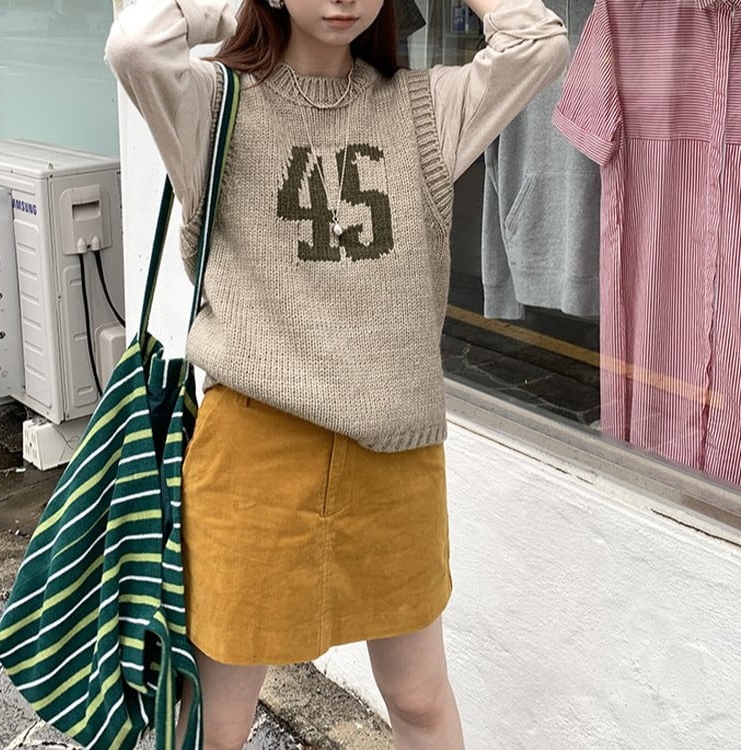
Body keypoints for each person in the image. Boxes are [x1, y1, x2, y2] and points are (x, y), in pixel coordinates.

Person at [105, 1, 568, 747]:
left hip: (395, 461)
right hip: (254, 461)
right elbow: (135, 43)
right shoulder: (215, 106)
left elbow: (537, 42)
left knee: (418, 700)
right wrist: (240, 9)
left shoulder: (424, 112)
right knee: (215, 723)